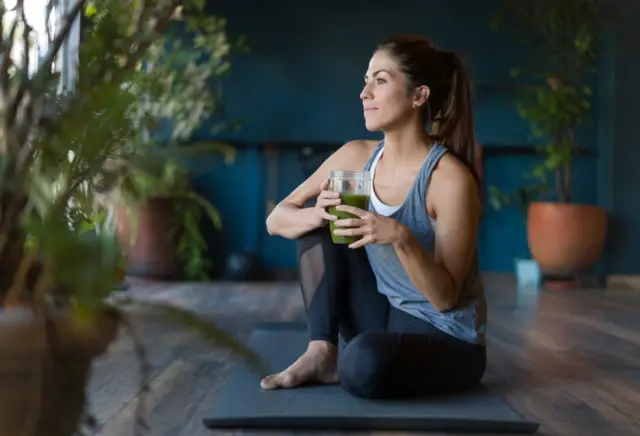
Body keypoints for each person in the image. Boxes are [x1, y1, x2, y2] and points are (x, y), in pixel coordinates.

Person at [261, 34, 487, 399]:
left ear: (419, 95)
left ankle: (354, 360)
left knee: (364, 364)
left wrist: (400, 237)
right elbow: (277, 219)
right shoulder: (355, 157)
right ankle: (321, 352)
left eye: (380, 80)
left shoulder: (449, 180)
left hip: (446, 337)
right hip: (384, 313)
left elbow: (445, 298)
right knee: (317, 228)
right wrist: (317, 215)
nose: (365, 93)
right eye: (366, 81)